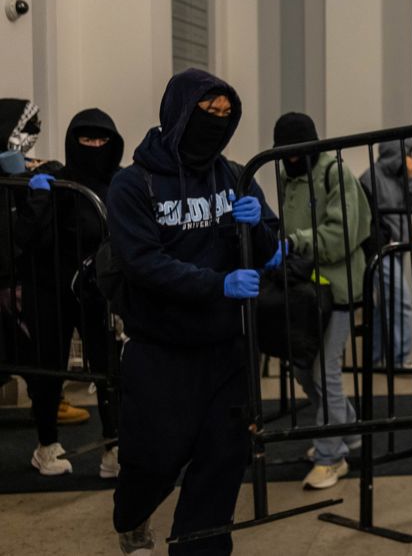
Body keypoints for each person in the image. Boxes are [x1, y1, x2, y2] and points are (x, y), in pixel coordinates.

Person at [108, 69, 278, 555]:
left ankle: (198, 548)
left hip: (225, 348)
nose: (217, 123)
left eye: (226, 115)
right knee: (154, 459)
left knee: (223, 460)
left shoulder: (234, 175)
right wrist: (216, 284)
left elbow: (266, 248)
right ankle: (132, 515)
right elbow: (142, 263)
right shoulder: (132, 183)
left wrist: (259, 228)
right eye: (207, 113)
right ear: (179, 112)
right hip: (161, 349)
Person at [13, 109, 123, 479]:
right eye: (86, 140)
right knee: (49, 370)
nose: (94, 147)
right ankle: (46, 446)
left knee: (108, 369)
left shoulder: (119, 183)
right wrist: (39, 200)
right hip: (51, 289)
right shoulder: (57, 182)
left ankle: (114, 445)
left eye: (101, 140)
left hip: (98, 291)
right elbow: (28, 238)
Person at [271, 111, 373, 490]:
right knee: (304, 369)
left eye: (300, 149)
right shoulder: (289, 176)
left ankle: (332, 457)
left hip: (340, 289)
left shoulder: (335, 173)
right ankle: (347, 434)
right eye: (286, 151)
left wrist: (295, 243)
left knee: (323, 372)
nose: (293, 157)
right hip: (307, 290)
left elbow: (342, 234)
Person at [360, 138, 412, 368]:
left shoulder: (401, 175)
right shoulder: (371, 177)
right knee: (399, 301)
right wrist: (383, 238)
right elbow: (366, 215)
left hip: (397, 248)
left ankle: (375, 357)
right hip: (382, 249)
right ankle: (400, 358)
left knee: (383, 304)